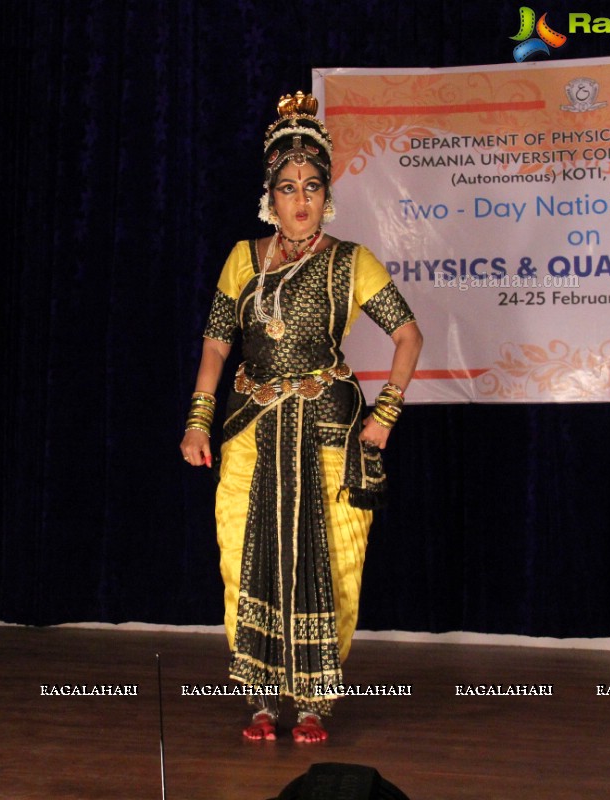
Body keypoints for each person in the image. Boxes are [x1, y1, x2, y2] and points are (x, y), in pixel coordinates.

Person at [180, 92, 423, 742]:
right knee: (244, 555)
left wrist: (386, 415)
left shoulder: (350, 261)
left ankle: (313, 703)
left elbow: (408, 337)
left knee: (334, 561)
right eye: (288, 188)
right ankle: (261, 699)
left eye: (312, 186)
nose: (301, 200)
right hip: (252, 432)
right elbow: (215, 344)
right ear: (270, 193)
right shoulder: (242, 259)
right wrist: (198, 418)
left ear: (326, 192)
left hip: (326, 433)